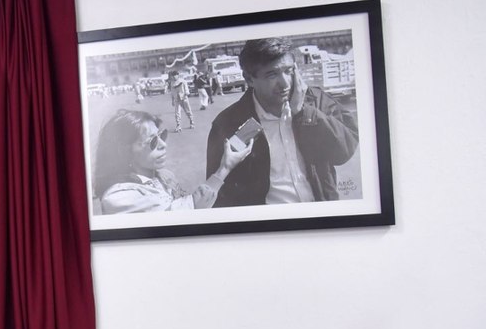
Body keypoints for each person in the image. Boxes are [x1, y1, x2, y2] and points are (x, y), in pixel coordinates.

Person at [206, 37, 359, 207]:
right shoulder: (228, 123)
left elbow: (344, 151)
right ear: (249, 79)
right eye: (272, 74)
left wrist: (304, 113)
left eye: (289, 70)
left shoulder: (316, 101)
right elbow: (221, 192)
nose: (285, 83)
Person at [93, 109, 251, 214]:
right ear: (124, 151)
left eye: (162, 135)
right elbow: (185, 212)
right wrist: (225, 168)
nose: (163, 144)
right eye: (152, 142)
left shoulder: (164, 175)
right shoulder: (118, 198)